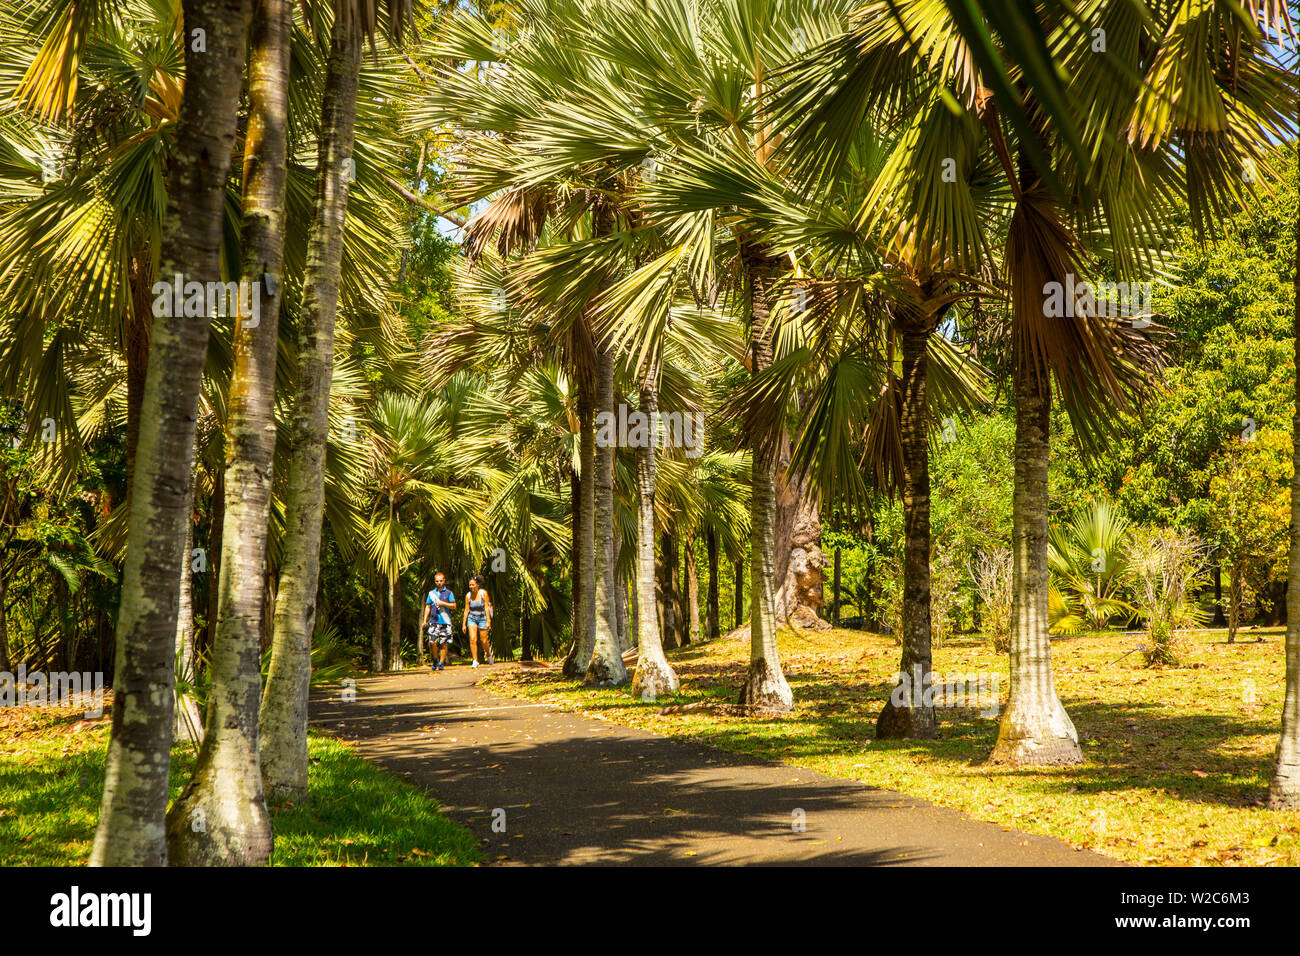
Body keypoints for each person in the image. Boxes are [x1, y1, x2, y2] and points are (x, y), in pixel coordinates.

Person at [420, 572, 456, 672]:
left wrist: (443, 603)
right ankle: (435, 659)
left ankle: (441, 662)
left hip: (445, 621)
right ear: (435, 582)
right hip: (433, 621)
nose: (439, 583)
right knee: (432, 642)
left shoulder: (449, 593)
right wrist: (424, 620)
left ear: (444, 581)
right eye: (437, 581)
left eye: (441, 581)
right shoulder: (431, 593)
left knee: (444, 643)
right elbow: (427, 607)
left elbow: (454, 606)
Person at [463, 574, 492, 667]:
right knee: (472, 639)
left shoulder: (483, 593)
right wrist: (464, 624)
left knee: (483, 640)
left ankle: (488, 654)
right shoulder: (468, 596)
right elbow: (466, 610)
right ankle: (475, 660)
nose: (471, 587)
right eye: (470, 585)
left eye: (473, 585)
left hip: (482, 617)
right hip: (472, 618)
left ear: (477, 585)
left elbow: (486, 608)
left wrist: (488, 621)